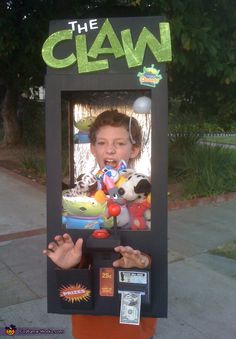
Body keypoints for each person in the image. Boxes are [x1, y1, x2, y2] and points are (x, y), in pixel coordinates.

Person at [43, 110, 157, 338]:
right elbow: (75, 253)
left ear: (134, 149)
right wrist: (68, 265)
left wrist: (143, 261)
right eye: (102, 142)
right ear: (93, 148)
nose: (110, 149)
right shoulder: (80, 197)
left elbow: (154, 249)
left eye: (120, 143)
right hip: (88, 324)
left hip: (133, 325)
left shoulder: (145, 193)